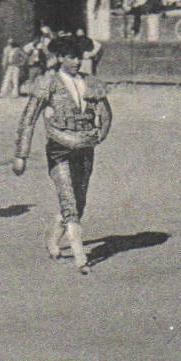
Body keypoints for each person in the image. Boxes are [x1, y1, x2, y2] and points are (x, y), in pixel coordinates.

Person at [12, 35, 113, 273]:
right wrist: (21, 155)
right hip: (59, 149)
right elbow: (28, 119)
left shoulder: (90, 82)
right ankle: (81, 257)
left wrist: (99, 135)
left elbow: (106, 113)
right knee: (69, 198)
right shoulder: (48, 82)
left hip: (85, 146)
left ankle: (53, 236)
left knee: (79, 201)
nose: (77, 61)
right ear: (59, 58)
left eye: (79, 56)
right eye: (71, 56)